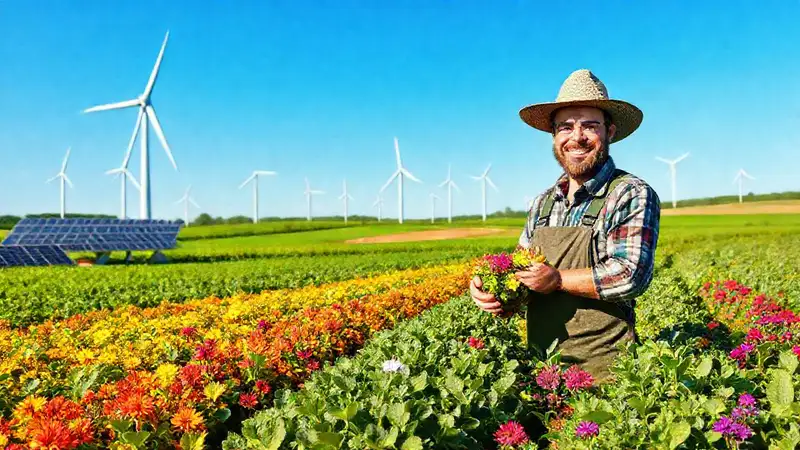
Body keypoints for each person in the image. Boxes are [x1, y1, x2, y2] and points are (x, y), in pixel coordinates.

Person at [470, 69, 661, 383]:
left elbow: (631, 275)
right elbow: (522, 274)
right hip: (543, 371)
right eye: (566, 127)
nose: (577, 137)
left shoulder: (630, 193)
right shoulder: (542, 203)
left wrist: (557, 279)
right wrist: (496, 292)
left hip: (607, 376)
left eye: (590, 125)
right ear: (554, 136)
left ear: (610, 132)